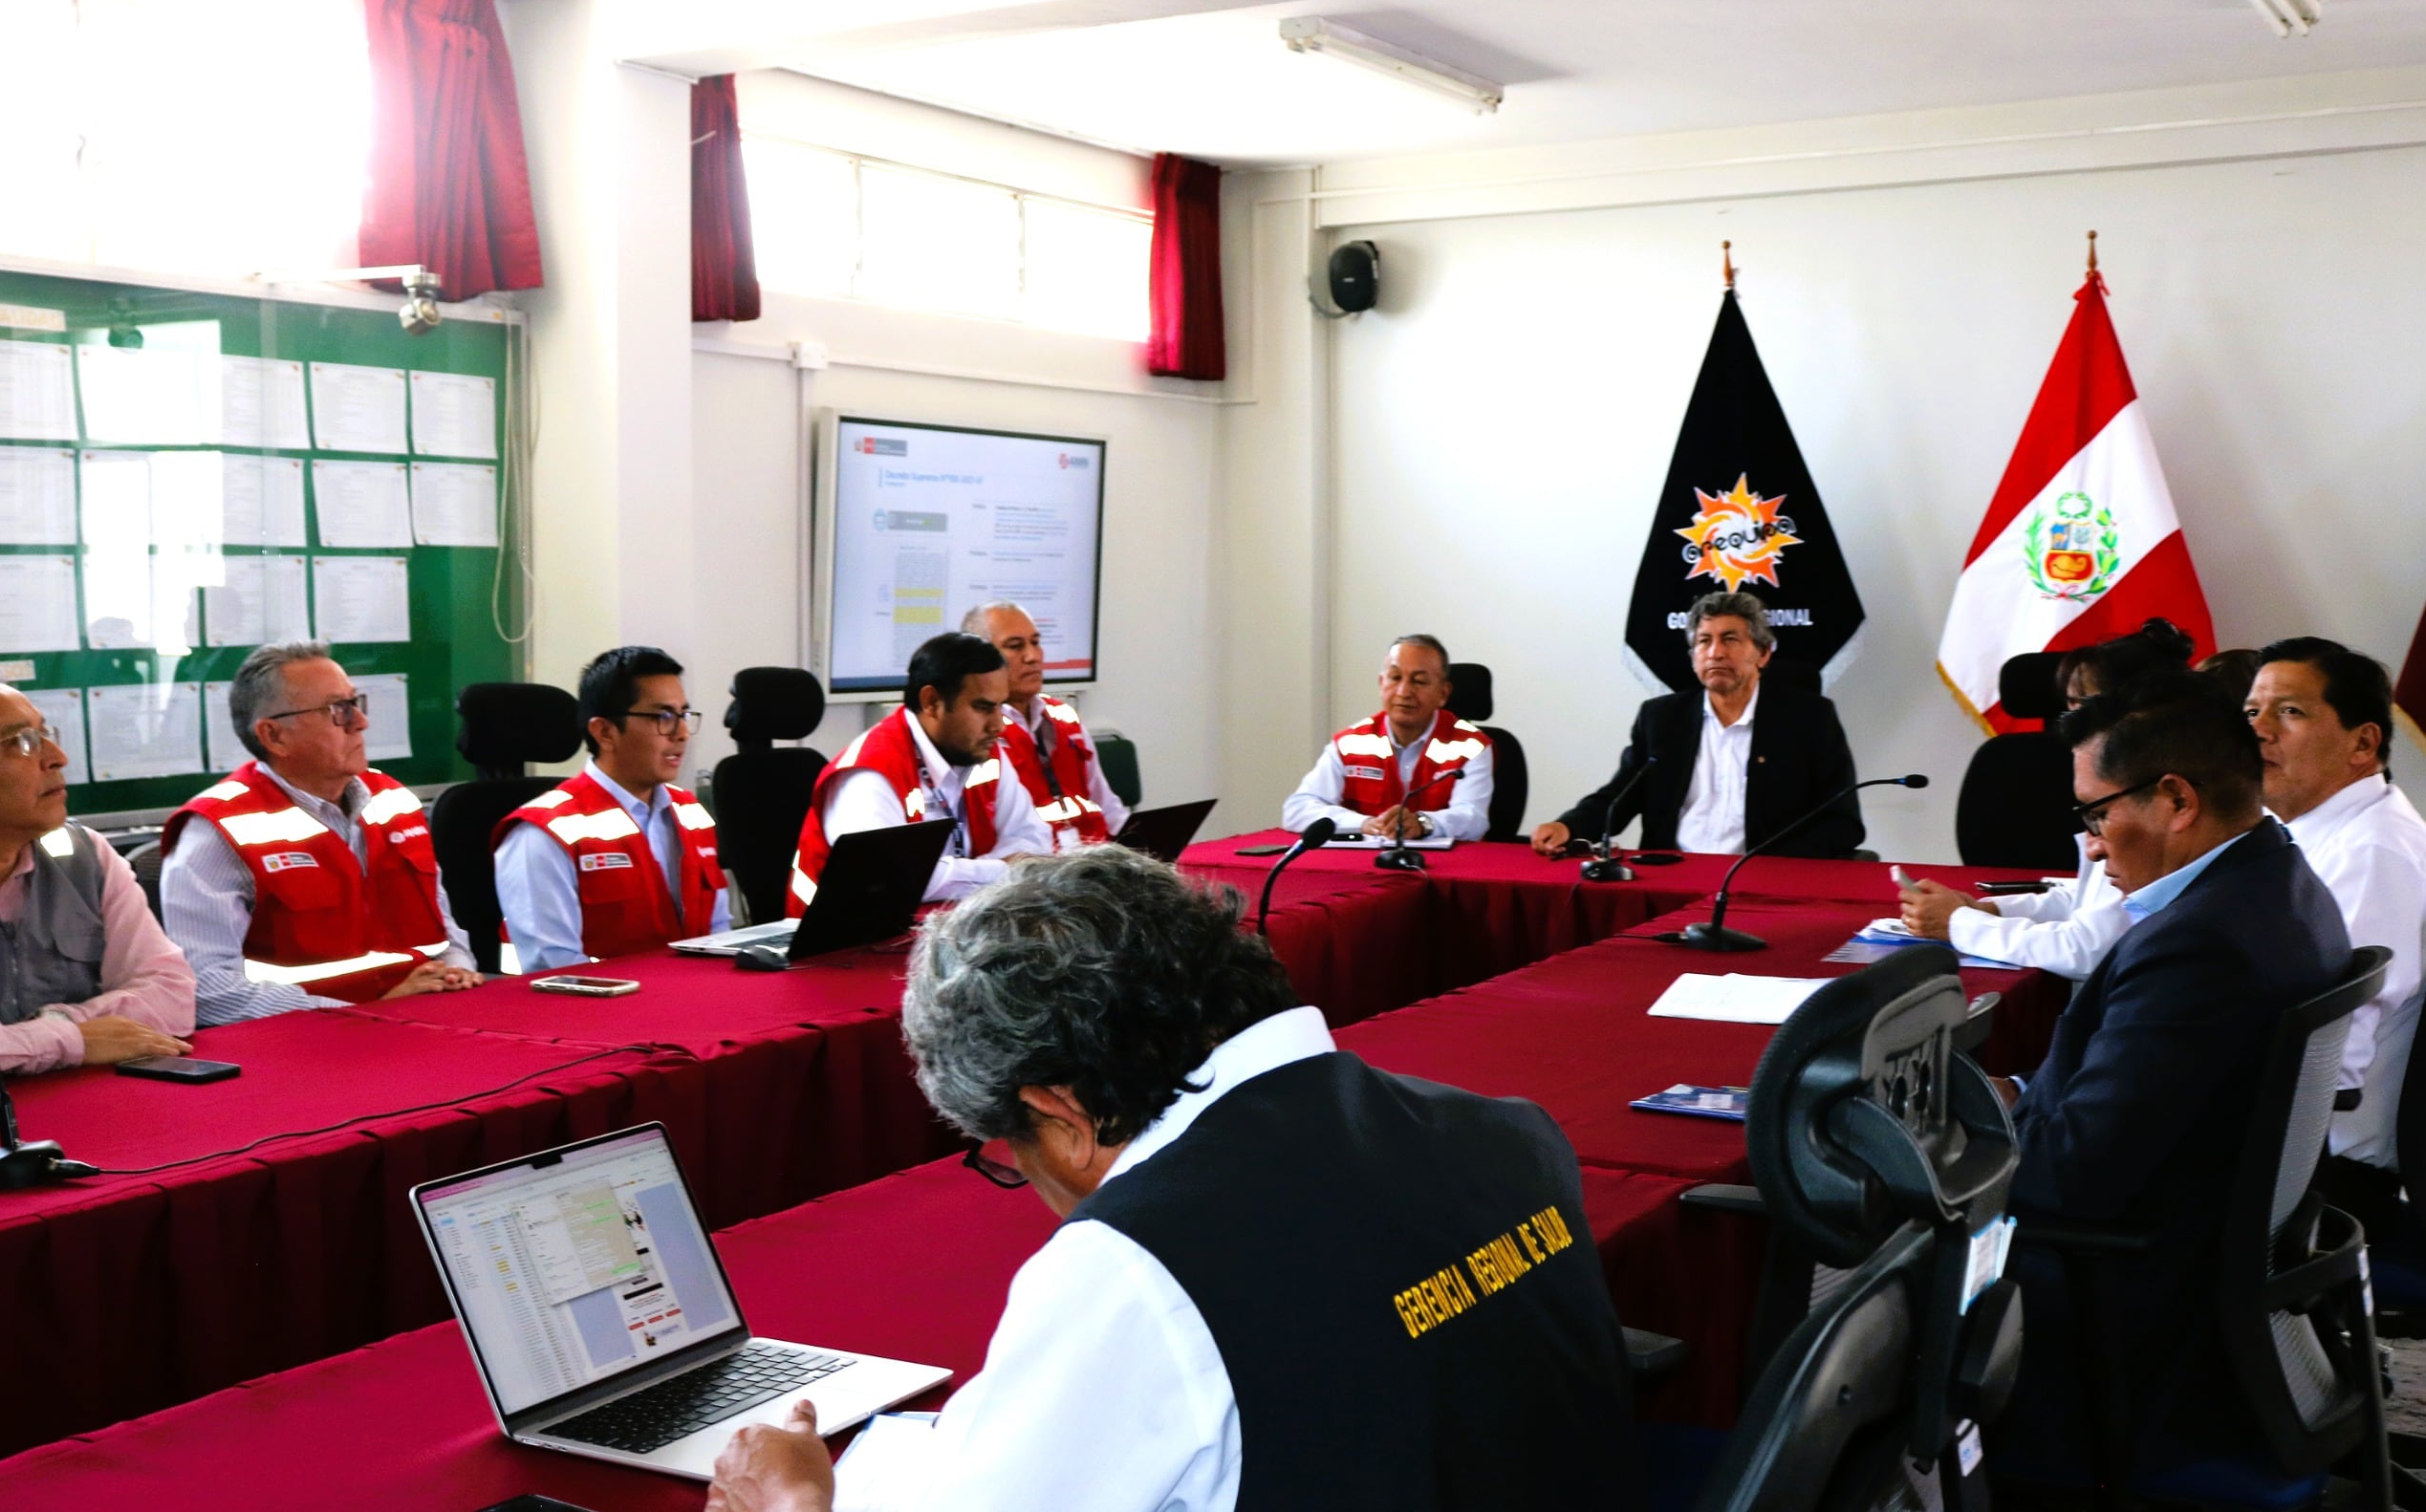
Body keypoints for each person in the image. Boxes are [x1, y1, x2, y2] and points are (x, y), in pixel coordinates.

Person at [707, 847, 1643, 1512]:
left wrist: (795, 1498)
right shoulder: (1506, 1129)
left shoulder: (1141, 1267)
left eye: (1008, 1151)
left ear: (1062, 1114)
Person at [1993, 673, 2352, 1485]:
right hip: (2208, 1258)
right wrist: (2013, 1092)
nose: (2088, 845)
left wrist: (1951, 1134)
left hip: (2127, 1308)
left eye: (2096, 815)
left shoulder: (2201, 946)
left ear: (2176, 800)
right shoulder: (2273, 879)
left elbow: (2067, 1179)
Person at [161, 641, 477, 1023]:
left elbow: (444, 931)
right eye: (338, 711)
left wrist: (457, 969)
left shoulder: (395, 802)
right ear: (274, 736)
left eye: (356, 703)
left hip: (430, 1023)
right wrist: (366, 1013)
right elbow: (207, 989)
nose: (361, 722)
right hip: (306, 1047)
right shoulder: (218, 829)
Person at [2244, 638, 2426, 1196]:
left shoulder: (2373, 852)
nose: (2260, 730)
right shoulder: (2309, 834)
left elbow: (2330, 1050)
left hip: (2316, 1163)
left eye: (2290, 711)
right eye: (2252, 711)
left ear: (2362, 743)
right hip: (2286, 1134)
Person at [1901, 618, 2197, 975]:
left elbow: (2085, 949)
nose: (2072, 718)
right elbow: (2089, 900)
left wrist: (1959, 924)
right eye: (2070, 703)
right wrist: (1988, 911)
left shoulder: (2149, 799)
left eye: (2088, 704)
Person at [1530, 590, 1859, 858]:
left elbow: (1842, 823)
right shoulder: (1661, 719)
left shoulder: (1809, 719)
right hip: (1673, 875)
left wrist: (1773, 864)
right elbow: (1619, 797)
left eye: (1730, 639)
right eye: (1704, 641)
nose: (1715, 652)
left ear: (1763, 654)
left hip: (1763, 881)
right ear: (1692, 657)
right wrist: (1568, 827)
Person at [0, 684, 194, 1073]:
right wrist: (73, 1040)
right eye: (22, 742)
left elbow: (171, 994)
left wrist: (58, 1026)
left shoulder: (83, 855)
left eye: (47, 735)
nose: (58, 758)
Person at [494, 646, 729, 971]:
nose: (681, 734)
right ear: (604, 732)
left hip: (692, 1004)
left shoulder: (689, 812)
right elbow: (554, 969)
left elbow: (718, 937)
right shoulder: (543, 832)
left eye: (684, 716)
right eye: (662, 717)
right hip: (593, 1012)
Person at [789, 634, 1053, 911]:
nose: (998, 725)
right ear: (931, 702)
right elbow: (891, 878)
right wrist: (999, 869)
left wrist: (969, 873)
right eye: (982, 707)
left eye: (1001, 706)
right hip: (838, 944)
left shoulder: (985, 752)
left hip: (945, 931)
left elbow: (1035, 841)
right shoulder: (868, 775)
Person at [1284, 635, 1495, 842]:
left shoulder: (1471, 746)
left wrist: (1422, 823)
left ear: (1443, 693)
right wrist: (1364, 823)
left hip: (1444, 868)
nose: (1404, 692)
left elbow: (1473, 817)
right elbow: (1297, 809)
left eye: (1419, 681)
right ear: (1381, 683)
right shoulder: (1350, 743)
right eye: (1395, 678)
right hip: (1362, 868)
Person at [963, 601, 1129, 851]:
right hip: (1028, 878)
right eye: (1015, 646)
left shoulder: (1064, 718)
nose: (1032, 657)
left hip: (1095, 868)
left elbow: (1109, 809)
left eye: (1036, 642)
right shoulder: (973, 731)